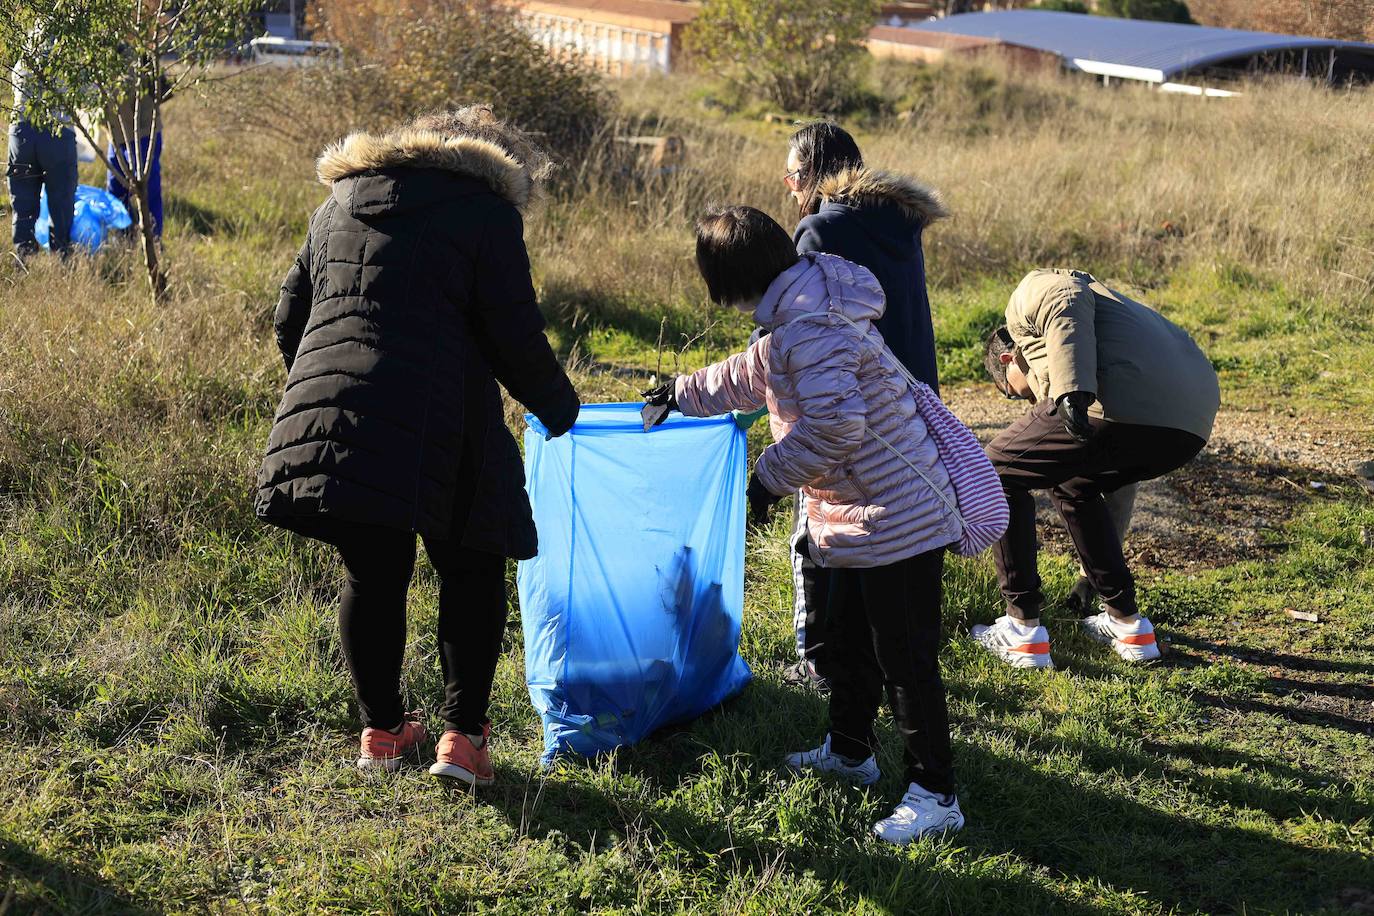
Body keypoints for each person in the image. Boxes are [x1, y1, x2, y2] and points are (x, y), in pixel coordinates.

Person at [256, 107, 580, 783]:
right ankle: (462, 741)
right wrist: (560, 409)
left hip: (340, 418)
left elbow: (289, 320)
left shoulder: (337, 205)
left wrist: (339, 391)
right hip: (448, 421)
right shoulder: (485, 213)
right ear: (493, 160)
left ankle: (382, 733)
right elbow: (513, 335)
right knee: (472, 566)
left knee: (371, 575)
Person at [644, 206, 966, 845]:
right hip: (857, 514)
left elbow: (836, 427)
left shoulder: (811, 324)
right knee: (845, 640)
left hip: (897, 517)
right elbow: (752, 372)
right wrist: (679, 393)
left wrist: (767, 477)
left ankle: (936, 795)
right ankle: (850, 751)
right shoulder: (799, 309)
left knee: (904, 661)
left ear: (731, 276)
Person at [771, 122, 950, 691]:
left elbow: (801, 327)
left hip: (849, 404)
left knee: (819, 533)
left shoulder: (821, 230)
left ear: (810, 175)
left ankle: (819, 662)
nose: (789, 188)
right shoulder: (894, 223)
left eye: (791, 176)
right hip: (908, 402)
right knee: (884, 537)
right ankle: (874, 660)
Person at [974, 269, 1220, 668]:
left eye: (1015, 393)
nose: (1029, 403)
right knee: (1075, 483)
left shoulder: (1025, 300)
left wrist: (1071, 389)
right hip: (1188, 425)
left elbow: (1063, 294)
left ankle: (1021, 632)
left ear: (1008, 360)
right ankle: (1128, 626)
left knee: (994, 470)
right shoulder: (1110, 331)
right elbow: (1110, 487)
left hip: (1123, 403)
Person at [6, 27, 78, 257]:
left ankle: (23, 257)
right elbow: (87, 93)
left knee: (22, 203)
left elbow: (15, 83)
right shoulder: (71, 46)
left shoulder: (26, 49)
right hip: (57, 131)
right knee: (61, 200)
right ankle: (62, 256)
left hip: (21, 132)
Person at [106, 65, 166, 238]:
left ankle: (153, 241)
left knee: (148, 190)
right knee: (115, 191)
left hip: (143, 131)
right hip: (116, 134)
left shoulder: (136, 56)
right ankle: (125, 239)